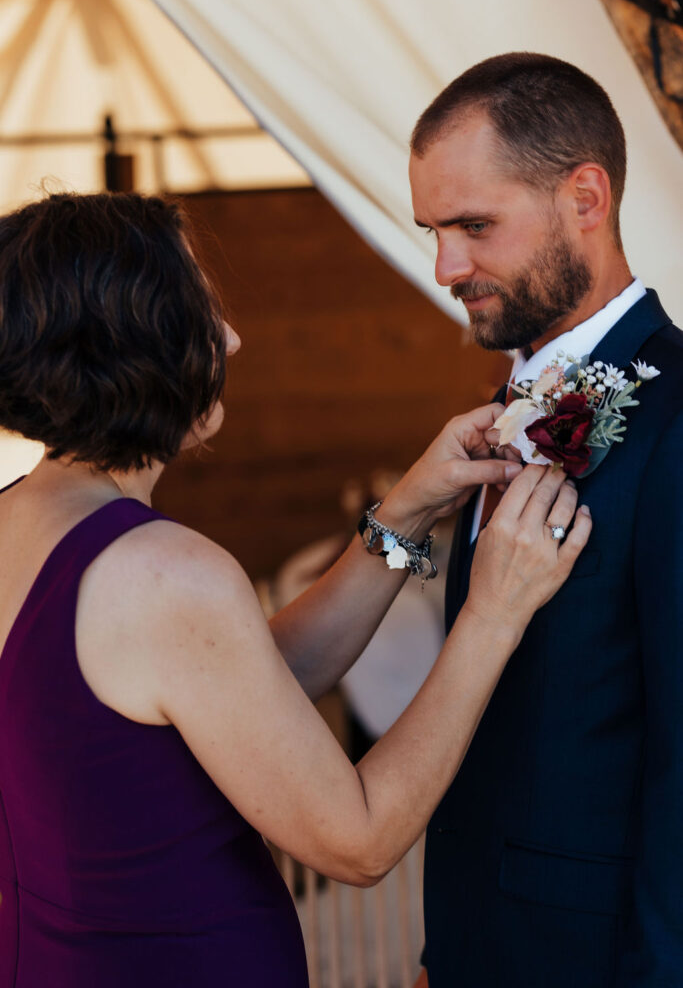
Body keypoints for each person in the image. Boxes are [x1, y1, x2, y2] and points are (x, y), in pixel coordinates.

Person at [0, 192, 590, 988]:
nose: (232, 339)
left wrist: (406, 510)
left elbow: (248, 689)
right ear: (137, 337)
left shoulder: (23, 521)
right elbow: (359, 842)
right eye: (202, 311)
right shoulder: (161, 573)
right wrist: (492, 614)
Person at [408, 52, 683, 988]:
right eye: (433, 231)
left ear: (585, 197)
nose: (446, 266)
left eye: (473, 225)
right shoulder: (501, 417)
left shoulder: (678, 421)